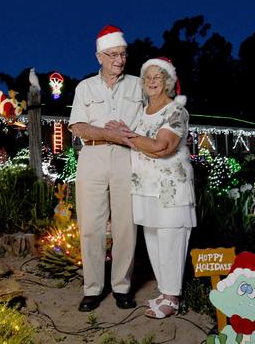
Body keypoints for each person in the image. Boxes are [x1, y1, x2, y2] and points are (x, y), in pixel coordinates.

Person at [106, 57, 196, 319]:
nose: (152, 82)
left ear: (168, 81)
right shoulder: (142, 111)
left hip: (170, 189)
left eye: (158, 77)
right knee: (154, 240)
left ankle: (173, 297)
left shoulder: (176, 112)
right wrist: (126, 133)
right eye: (148, 77)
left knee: (171, 239)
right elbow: (139, 142)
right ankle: (164, 291)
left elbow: (161, 147)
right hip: (144, 187)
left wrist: (128, 136)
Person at [68, 25, 145, 312]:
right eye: (112, 55)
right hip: (93, 158)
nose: (119, 60)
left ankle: (122, 287)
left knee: (126, 225)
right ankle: (92, 289)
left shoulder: (138, 85)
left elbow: (154, 117)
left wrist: (133, 136)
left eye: (123, 54)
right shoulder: (85, 87)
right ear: (99, 56)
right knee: (91, 226)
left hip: (127, 157)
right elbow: (78, 127)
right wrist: (109, 134)